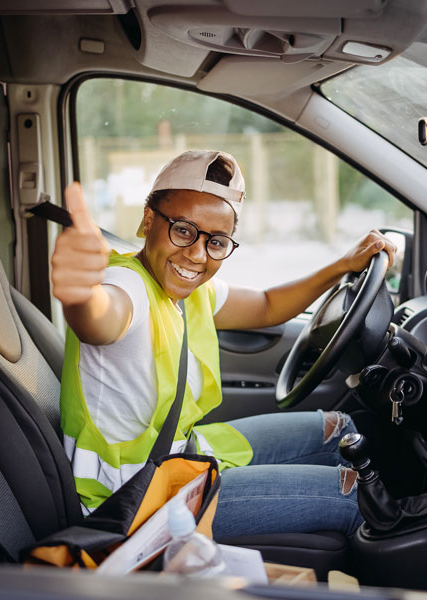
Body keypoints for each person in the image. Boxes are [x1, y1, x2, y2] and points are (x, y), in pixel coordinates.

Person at [52, 150, 396, 538]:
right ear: (148, 221)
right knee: (357, 496)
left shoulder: (191, 290)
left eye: (216, 241)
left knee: (340, 428)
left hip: (179, 456)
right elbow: (101, 318)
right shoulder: (127, 285)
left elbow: (267, 306)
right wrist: (80, 294)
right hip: (135, 499)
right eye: (182, 230)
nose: (197, 254)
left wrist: (342, 265)